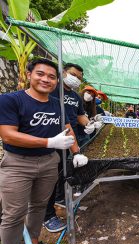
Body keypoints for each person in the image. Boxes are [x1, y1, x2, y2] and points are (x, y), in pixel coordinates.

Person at [0, 59, 87, 244]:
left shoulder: (58, 105)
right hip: (18, 164)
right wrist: (49, 142)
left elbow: (68, 129)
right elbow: (8, 135)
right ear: (29, 75)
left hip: (49, 162)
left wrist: (76, 152)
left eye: (51, 76)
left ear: (57, 81)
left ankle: (35, 241)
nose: (45, 79)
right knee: (13, 213)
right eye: (40, 74)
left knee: (38, 206)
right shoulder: (11, 100)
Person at [45, 63, 95, 232]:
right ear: (64, 72)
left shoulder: (75, 96)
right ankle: (49, 212)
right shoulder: (52, 89)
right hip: (52, 137)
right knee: (51, 176)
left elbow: (79, 115)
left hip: (69, 136)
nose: (76, 79)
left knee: (63, 170)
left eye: (80, 78)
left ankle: (59, 201)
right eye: (74, 74)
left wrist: (88, 124)